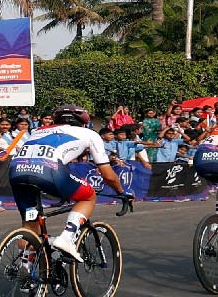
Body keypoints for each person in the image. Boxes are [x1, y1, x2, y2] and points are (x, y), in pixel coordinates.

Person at [7, 105, 128, 263]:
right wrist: (121, 192)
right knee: (88, 197)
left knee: (30, 227)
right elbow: (108, 175)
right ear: (83, 122)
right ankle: (67, 238)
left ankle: (26, 270)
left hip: (16, 171)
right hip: (49, 170)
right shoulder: (90, 133)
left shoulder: (38, 131)